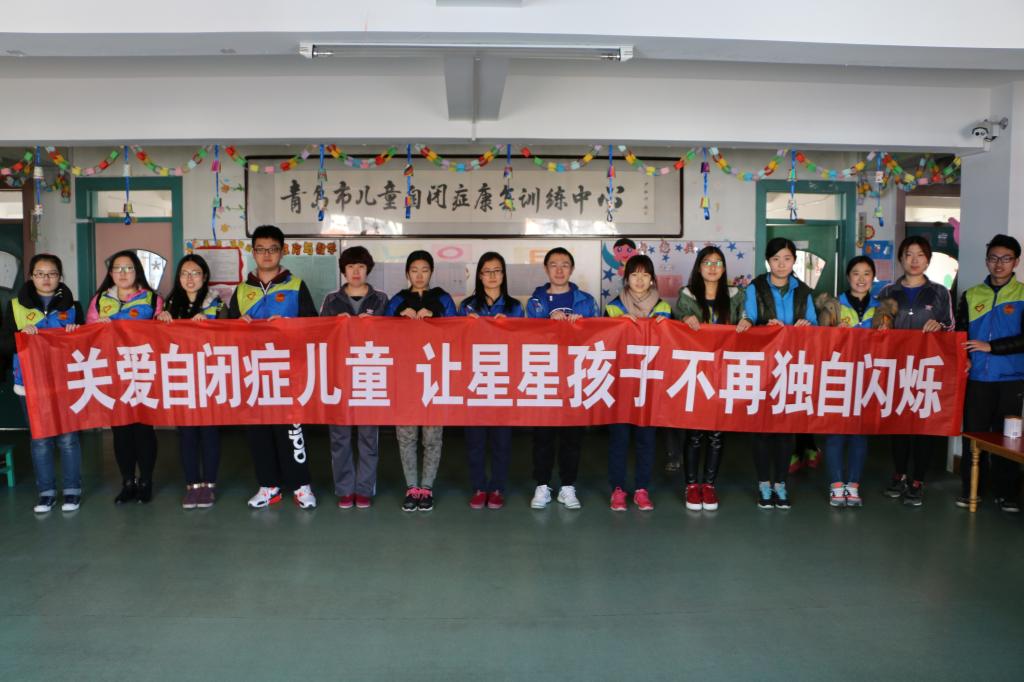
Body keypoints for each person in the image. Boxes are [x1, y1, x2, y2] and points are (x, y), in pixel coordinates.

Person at [227, 225, 319, 510]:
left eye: (273, 249)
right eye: (261, 249)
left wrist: (290, 325)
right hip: (253, 372)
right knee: (258, 432)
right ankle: (268, 486)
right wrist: (237, 325)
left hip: (289, 372)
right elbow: (226, 333)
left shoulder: (296, 285)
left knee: (291, 430)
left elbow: (313, 325)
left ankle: (301, 486)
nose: (266, 255)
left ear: (282, 251)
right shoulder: (242, 290)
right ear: (252, 252)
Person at [738, 237, 817, 509]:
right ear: (768, 262)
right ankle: (763, 483)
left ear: (794, 260)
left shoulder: (804, 291)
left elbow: (816, 327)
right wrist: (759, 325)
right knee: (762, 428)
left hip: (792, 367)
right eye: (775, 259)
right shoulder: (756, 288)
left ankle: (781, 484)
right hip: (763, 366)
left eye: (787, 258)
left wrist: (807, 325)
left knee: (785, 428)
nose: (781, 264)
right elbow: (748, 318)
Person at [0, 254, 83, 513]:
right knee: (40, 439)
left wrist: (76, 335)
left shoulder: (74, 307)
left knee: (68, 438)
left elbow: (86, 346)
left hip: (65, 381)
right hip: (29, 381)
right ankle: (46, 492)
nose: (46, 279)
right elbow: (5, 344)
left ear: (60, 276)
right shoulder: (15, 306)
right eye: (40, 273)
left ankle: (72, 491)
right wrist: (21, 336)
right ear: (31, 276)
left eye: (52, 273)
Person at [878, 235, 954, 506]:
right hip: (896, 369)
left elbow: (951, 328)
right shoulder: (888, 292)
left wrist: (940, 327)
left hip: (927, 369)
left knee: (923, 425)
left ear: (928, 260)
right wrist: (881, 328)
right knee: (899, 423)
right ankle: (899, 474)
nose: (914, 260)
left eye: (920, 255)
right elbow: (878, 329)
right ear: (901, 258)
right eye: (909, 254)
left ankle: (918, 480)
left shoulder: (939, 292)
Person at [86, 250, 164, 504]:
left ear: (137, 272)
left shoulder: (152, 299)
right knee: (120, 430)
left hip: (143, 370)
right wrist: (98, 328)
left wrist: (164, 319)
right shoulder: (100, 300)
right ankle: (128, 482)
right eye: (117, 268)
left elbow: (162, 335)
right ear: (110, 273)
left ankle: (146, 481)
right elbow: (87, 336)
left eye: (128, 268)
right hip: (112, 372)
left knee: (143, 429)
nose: (123, 273)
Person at [674, 245, 747, 512]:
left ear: (724, 268)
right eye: (707, 262)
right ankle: (691, 485)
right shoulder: (687, 294)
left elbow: (747, 316)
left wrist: (748, 322)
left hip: (724, 370)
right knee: (694, 432)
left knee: (717, 432)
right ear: (699, 267)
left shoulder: (736, 295)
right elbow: (676, 317)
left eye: (718, 263)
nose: (713, 267)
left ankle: (709, 484)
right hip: (696, 371)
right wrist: (685, 317)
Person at [526, 247, 598, 510]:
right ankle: (542, 485)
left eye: (565, 264)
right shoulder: (535, 302)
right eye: (554, 265)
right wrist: (548, 320)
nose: (559, 270)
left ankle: (568, 486)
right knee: (543, 435)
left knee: (572, 435)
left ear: (572, 269)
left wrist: (583, 325)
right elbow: (527, 335)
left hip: (575, 375)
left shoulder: (586, 301)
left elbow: (600, 336)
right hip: (544, 374)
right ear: (546, 269)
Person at [956, 234, 1024, 513]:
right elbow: (960, 334)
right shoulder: (972, 295)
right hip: (977, 380)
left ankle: (1007, 494)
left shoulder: (1022, 294)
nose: (999, 264)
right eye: (994, 258)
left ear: (1016, 262)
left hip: (1011, 379)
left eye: (1006, 259)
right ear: (986, 261)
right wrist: (964, 357)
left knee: (1008, 440)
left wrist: (991, 347)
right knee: (974, 437)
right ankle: (971, 490)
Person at [385, 250, 457, 512]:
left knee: (432, 437)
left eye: (424, 270)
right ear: (407, 273)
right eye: (414, 270)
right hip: (404, 377)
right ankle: (411, 487)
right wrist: (398, 319)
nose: (419, 275)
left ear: (431, 272)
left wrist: (436, 318)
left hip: (434, 377)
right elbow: (382, 332)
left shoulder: (443, 299)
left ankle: (427, 487)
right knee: (406, 437)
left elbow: (457, 331)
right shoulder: (397, 300)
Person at [320, 245, 389, 510]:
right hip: (339, 375)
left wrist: (374, 327)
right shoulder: (331, 300)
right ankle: (345, 489)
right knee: (339, 436)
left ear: (368, 269)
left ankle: (364, 489)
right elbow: (319, 336)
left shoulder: (381, 299)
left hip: (370, 374)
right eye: (350, 267)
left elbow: (394, 336)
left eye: (360, 266)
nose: (356, 271)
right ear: (343, 271)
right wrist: (334, 324)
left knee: (368, 436)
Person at [156, 254, 224, 509]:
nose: (190, 278)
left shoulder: (216, 303)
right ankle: (192, 485)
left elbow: (231, 333)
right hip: (181, 377)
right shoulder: (170, 303)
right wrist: (161, 321)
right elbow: (157, 339)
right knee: (186, 433)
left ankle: (209, 485)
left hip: (210, 376)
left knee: (209, 432)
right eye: (184, 273)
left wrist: (210, 326)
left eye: (195, 273)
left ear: (204, 276)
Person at [605, 254, 671, 511]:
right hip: (620, 385)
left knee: (646, 440)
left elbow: (672, 347)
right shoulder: (613, 308)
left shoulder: (664, 308)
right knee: (619, 440)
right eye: (634, 274)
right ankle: (618, 489)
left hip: (649, 385)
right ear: (626, 279)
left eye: (645, 274)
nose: (640, 280)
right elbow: (602, 343)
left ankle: (642, 489)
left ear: (652, 279)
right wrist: (616, 326)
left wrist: (667, 328)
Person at [459, 251, 524, 510]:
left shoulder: (515, 307)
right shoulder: (466, 306)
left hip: (503, 381)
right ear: (479, 276)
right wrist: (465, 326)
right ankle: (478, 487)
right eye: (487, 271)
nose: (492, 276)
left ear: (504, 275)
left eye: (497, 271)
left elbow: (524, 343)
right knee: (474, 440)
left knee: (501, 440)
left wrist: (509, 327)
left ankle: (497, 487)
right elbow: (455, 342)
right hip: (474, 380)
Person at [822, 256, 881, 508]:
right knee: (835, 432)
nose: (861, 278)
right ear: (848, 277)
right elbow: (819, 341)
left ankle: (853, 484)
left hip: (868, 377)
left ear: (873, 277)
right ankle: (836, 484)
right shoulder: (833, 306)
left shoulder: (882, 309)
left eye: (867, 273)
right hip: (838, 375)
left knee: (859, 432)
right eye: (856, 273)